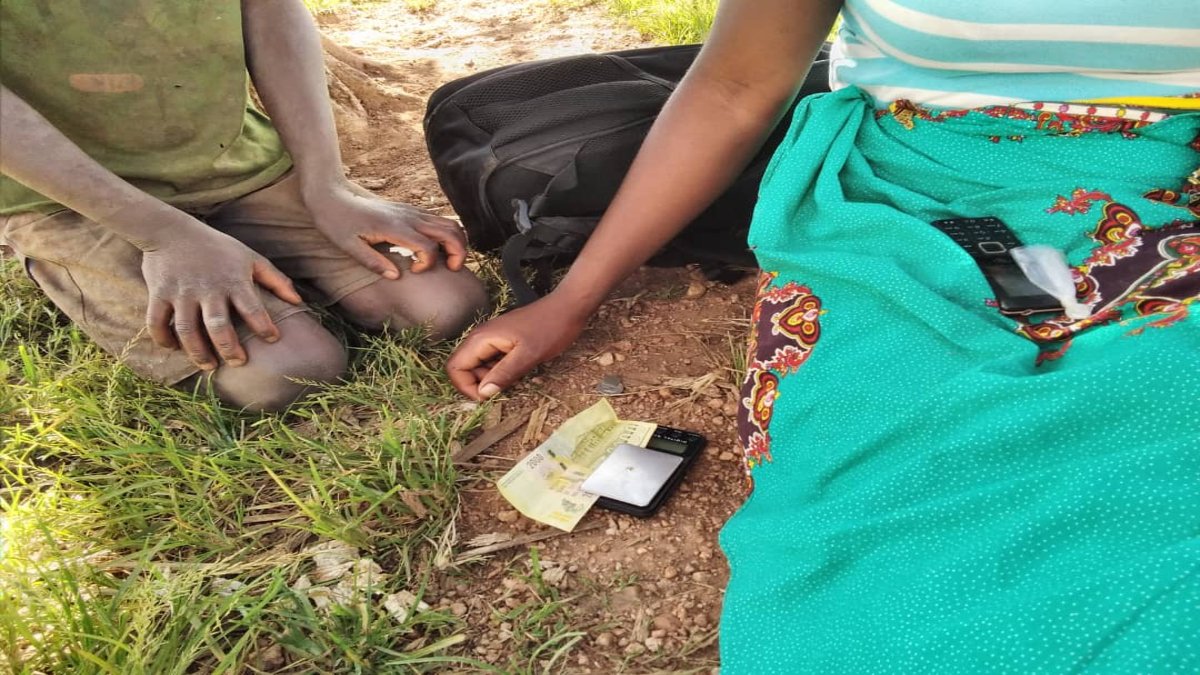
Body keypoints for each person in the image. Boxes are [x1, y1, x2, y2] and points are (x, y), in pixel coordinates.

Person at [449, 1, 1200, 671]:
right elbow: (735, 85)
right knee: (879, 510)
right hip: (909, 198)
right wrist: (574, 295)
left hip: (1174, 187)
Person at [0, 0, 489, 412]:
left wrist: (326, 186)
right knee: (288, 373)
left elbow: (270, 8)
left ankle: (267, 272)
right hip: (68, 197)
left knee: (443, 305)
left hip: (233, 158)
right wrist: (164, 234)